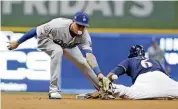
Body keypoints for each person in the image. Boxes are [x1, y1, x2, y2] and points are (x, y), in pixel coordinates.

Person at [7, 12, 105, 99]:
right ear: (73, 22)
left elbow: (89, 56)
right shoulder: (57, 25)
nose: (80, 29)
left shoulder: (84, 36)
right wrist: (18, 42)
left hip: (67, 45)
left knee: (82, 62)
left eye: (83, 26)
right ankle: (54, 90)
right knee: (57, 51)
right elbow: (35, 30)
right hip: (47, 40)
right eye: (79, 25)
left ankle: (103, 89)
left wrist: (99, 73)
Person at [103, 45, 178, 99]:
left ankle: (112, 88)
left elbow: (112, 74)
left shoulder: (130, 60)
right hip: (162, 77)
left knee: (128, 92)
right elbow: (167, 77)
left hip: (144, 81)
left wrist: (104, 85)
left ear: (131, 54)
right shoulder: (154, 60)